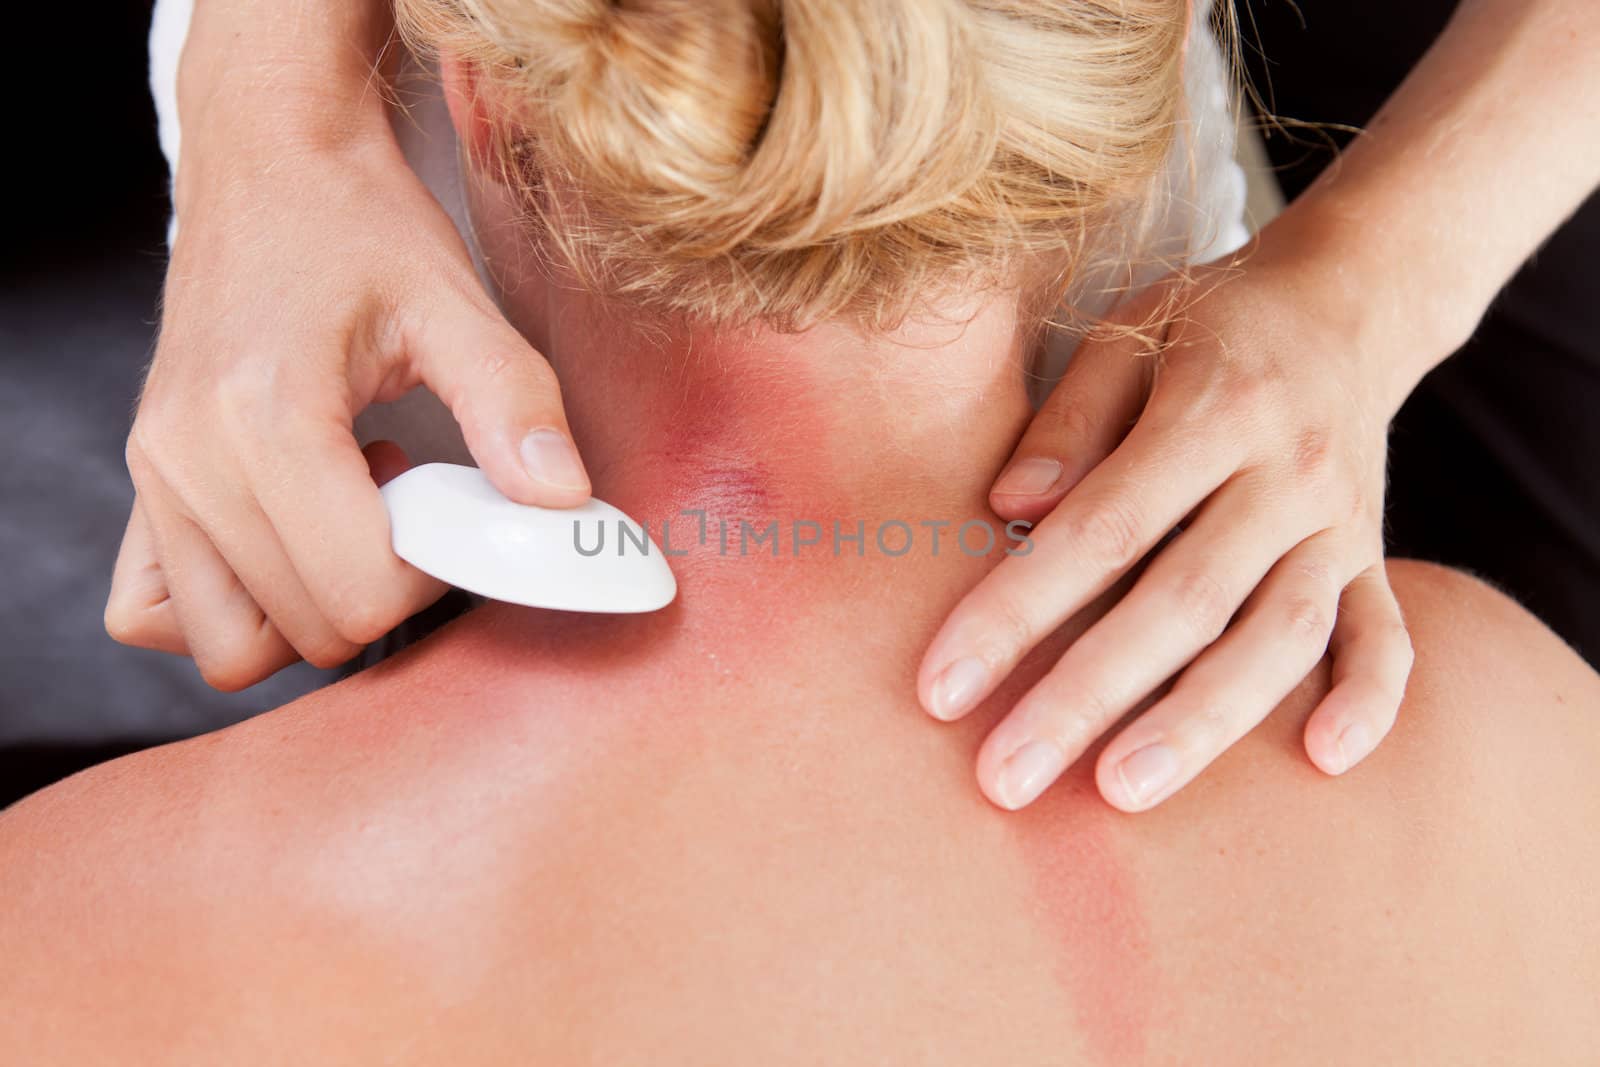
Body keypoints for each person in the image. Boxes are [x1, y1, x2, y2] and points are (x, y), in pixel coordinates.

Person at [5, 5, 1599, 1055]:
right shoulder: (1529, 736)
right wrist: (266, 121)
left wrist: (1382, 275)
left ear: (478, 95)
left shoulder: (75, 937)